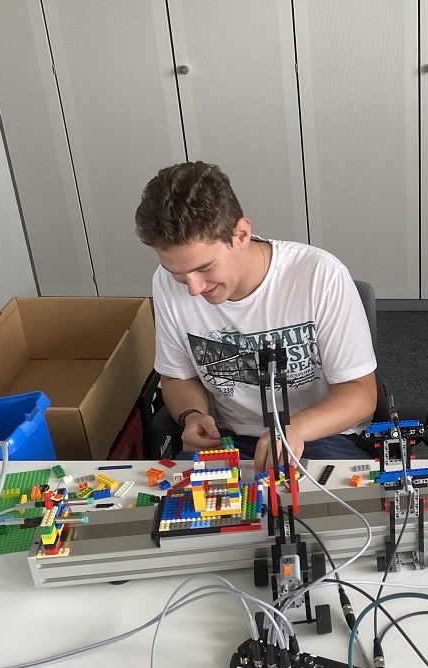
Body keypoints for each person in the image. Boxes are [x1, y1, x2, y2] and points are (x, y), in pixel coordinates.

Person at [135, 161, 377, 472]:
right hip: (230, 438)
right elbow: (178, 376)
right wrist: (191, 414)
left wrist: (295, 429)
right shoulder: (166, 282)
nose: (193, 289)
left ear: (241, 234)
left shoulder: (320, 275)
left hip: (323, 436)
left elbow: (360, 393)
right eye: (178, 273)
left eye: (206, 268)